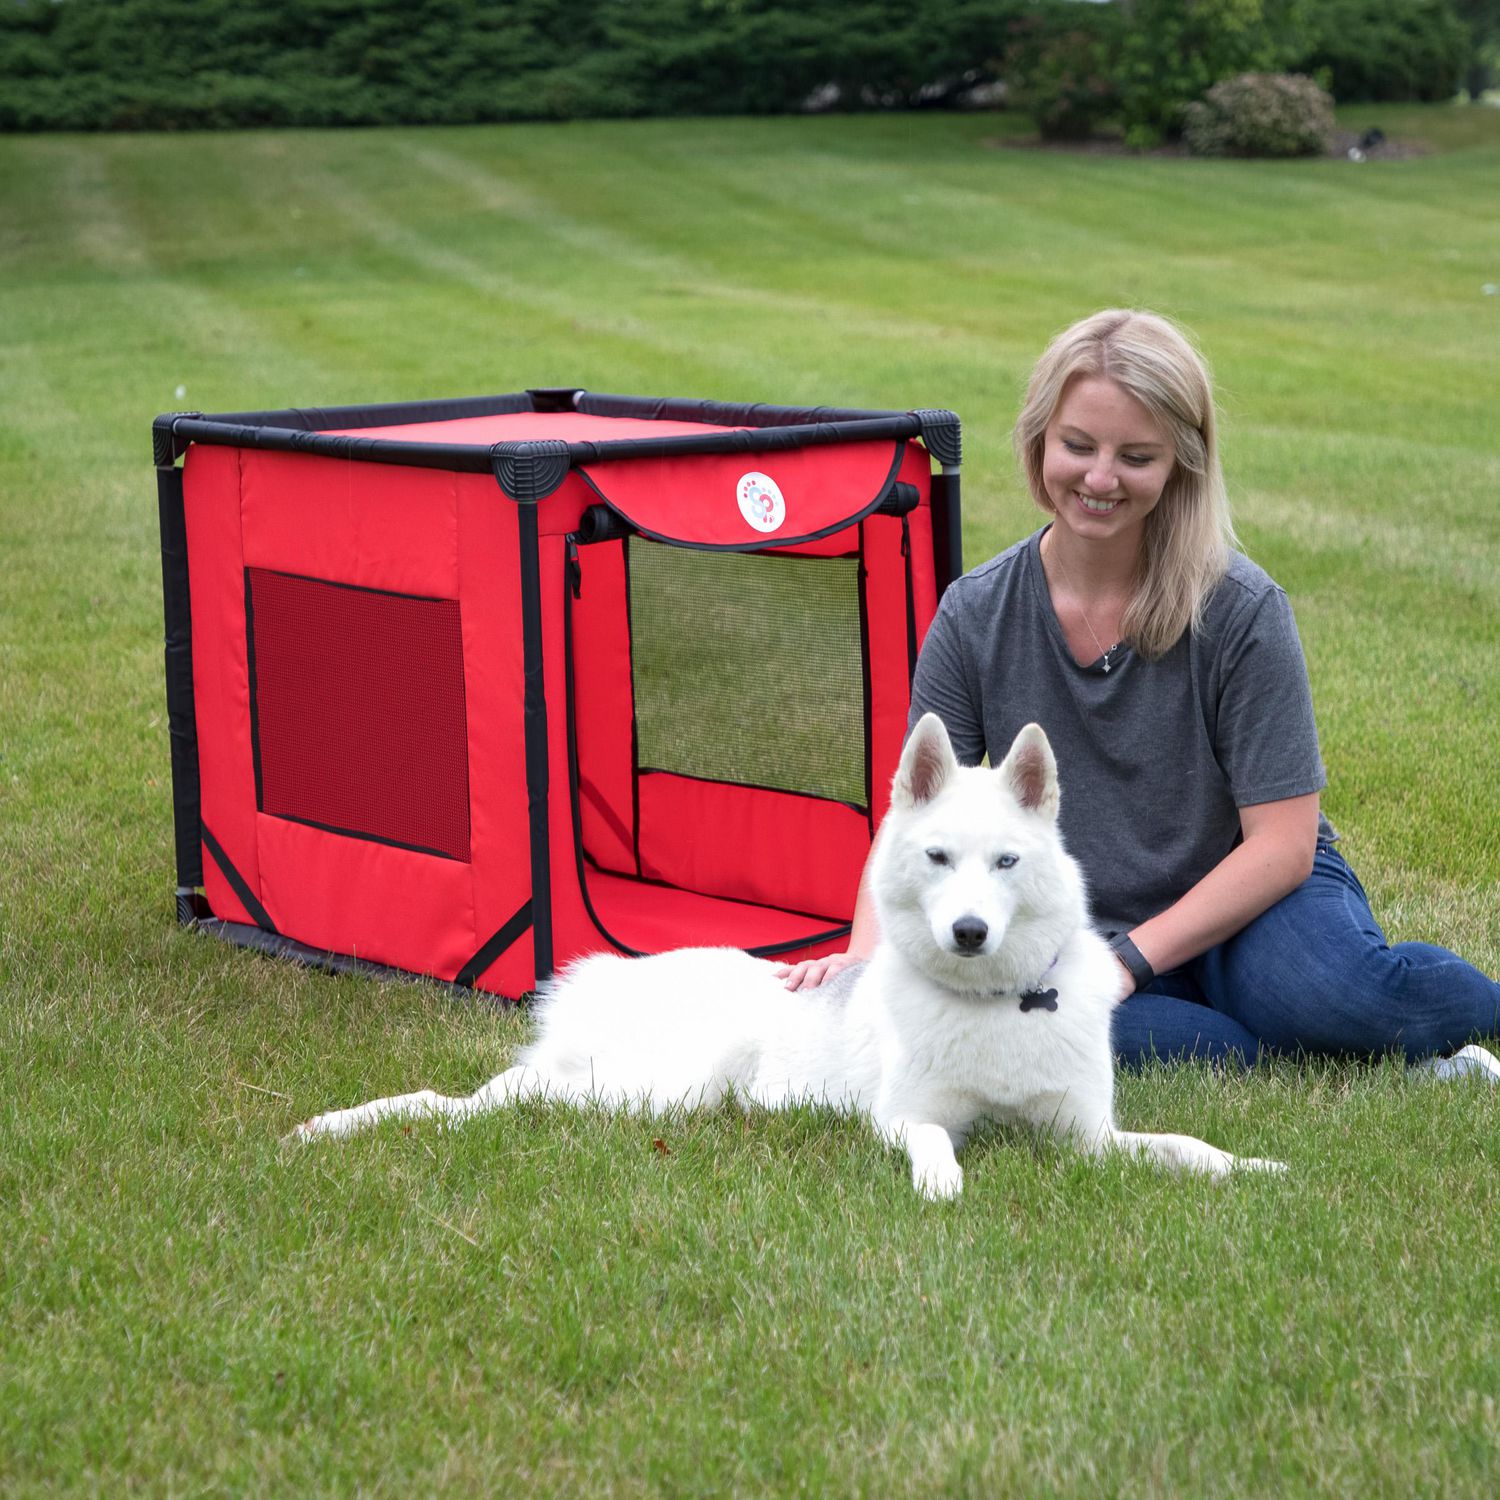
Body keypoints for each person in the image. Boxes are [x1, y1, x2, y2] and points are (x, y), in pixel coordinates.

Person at [779, 309, 1500, 1080]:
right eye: (1078, 446)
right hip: (1076, 929)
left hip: (1250, 904)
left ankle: (1372, 1022)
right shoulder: (976, 612)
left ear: (1181, 462)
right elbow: (917, 815)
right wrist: (862, 957)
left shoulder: (1241, 609)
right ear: (1038, 442)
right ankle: (1273, 1035)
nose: (1098, 478)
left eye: (1136, 456)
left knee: (1337, 1000)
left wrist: (1130, 963)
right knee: (1174, 1051)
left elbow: (1285, 845)